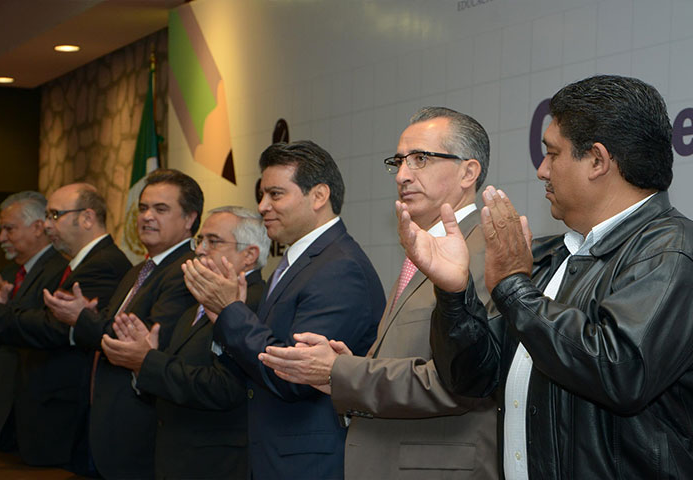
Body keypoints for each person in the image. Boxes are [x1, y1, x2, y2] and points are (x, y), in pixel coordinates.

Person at [399, 75, 693, 478]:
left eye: (552, 154)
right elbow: (472, 377)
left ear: (597, 161)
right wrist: (453, 294)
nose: (541, 171)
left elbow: (620, 370)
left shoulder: (672, 250)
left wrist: (513, 287)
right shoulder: (552, 255)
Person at [259, 107, 498, 479]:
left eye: (421, 159)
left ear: (469, 172)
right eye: (399, 162)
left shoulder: (484, 252)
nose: (403, 175)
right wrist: (349, 367)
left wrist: (344, 372)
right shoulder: (425, 248)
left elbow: (459, 383)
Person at [182, 140, 386, 479]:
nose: (262, 206)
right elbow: (259, 362)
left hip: (307, 463)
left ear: (318, 196)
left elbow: (296, 375)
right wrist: (224, 321)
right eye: (262, 195)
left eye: (275, 194)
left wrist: (231, 311)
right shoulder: (300, 261)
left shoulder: (339, 267)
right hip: (274, 454)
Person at [44, 169, 202, 479]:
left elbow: (144, 341)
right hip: (108, 423)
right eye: (143, 208)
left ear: (189, 219)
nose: (147, 217)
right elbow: (112, 325)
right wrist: (89, 316)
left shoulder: (185, 271)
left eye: (160, 209)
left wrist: (82, 318)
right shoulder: (139, 270)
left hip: (141, 428)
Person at [100, 206, 270, 479]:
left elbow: (224, 388)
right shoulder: (196, 303)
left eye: (213, 241)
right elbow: (176, 375)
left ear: (249, 255)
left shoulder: (254, 306)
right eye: (200, 240)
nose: (200, 250)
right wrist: (143, 361)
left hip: (216, 463)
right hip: (176, 457)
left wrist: (147, 361)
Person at [0, 183, 131, 473]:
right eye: (47, 216)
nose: (47, 225)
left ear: (87, 218)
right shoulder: (80, 263)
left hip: (65, 421)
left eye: (55, 215)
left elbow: (53, 329)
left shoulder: (103, 263)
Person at [0, 191, 66, 453]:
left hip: (31, 410)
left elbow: (43, 331)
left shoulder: (59, 270)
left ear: (38, 228)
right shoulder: (10, 273)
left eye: (9, 229)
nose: (1, 238)